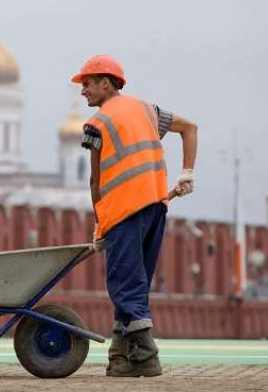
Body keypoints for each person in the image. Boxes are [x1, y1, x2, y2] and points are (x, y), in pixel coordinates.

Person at [72, 55, 198, 377]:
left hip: (124, 212)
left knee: (124, 284)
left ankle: (146, 354)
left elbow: (95, 181)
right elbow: (190, 128)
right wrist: (186, 173)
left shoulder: (96, 125)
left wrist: (100, 227)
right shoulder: (147, 110)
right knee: (135, 283)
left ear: (106, 83)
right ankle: (121, 357)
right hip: (156, 207)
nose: (82, 90)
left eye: (87, 83)